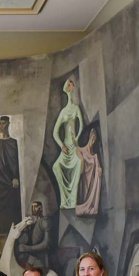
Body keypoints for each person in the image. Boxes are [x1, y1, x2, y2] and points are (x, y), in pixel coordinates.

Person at [52, 78, 84, 209]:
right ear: (67, 89)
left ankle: (73, 201)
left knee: (78, 164)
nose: (71, 86)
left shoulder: (76, 108)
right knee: (56, 167)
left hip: (74, 146)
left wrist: (77, 139)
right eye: (69, 84)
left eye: (72, 84)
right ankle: (65, 200)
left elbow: (81, 125)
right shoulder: (63, 112)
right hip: (66, 147)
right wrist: (62, 146)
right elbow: (55, 133)